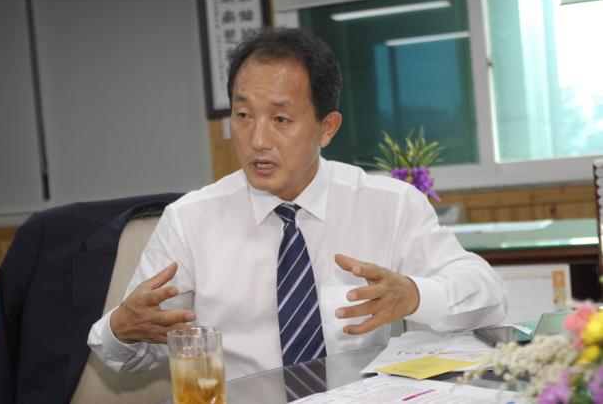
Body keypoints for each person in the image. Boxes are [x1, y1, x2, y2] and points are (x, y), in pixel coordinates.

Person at [88, 27, 507, 381]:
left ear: (327, 128)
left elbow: (488, 295)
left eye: (281, 119)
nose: (257, 141)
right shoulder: (189, 220)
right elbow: (132, 355)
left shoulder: (388, 205)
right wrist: (121, 330)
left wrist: (414, 295)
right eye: (243, 116)